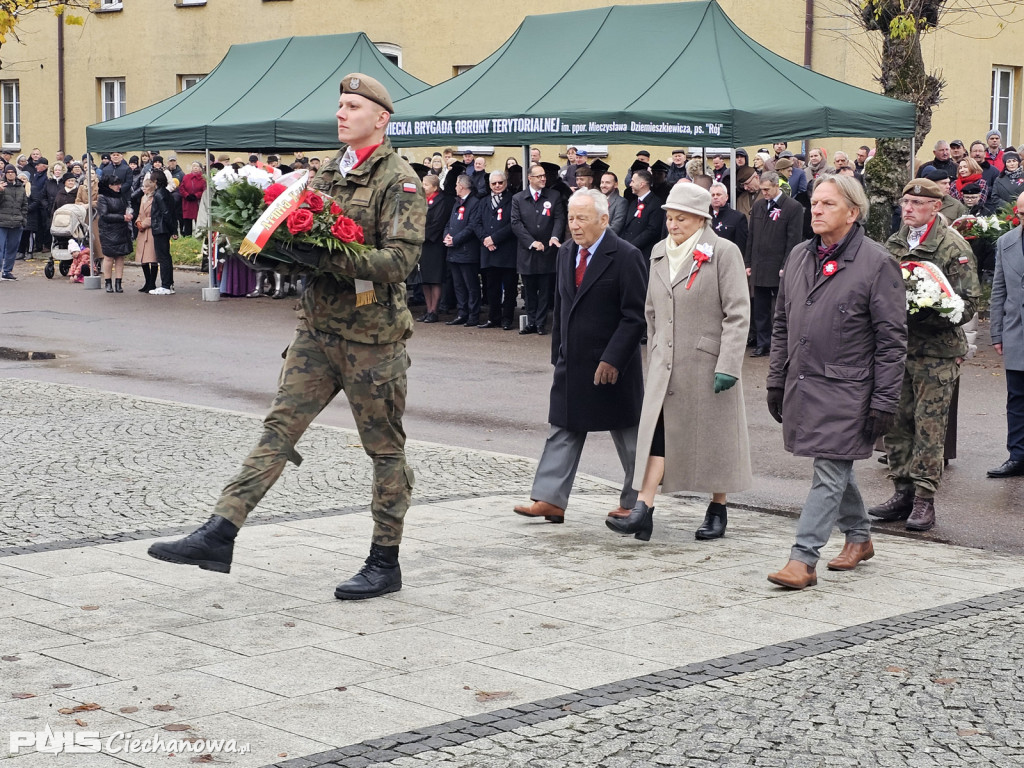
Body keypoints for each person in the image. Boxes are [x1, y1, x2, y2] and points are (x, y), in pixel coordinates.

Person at [148, 73, 426, 601]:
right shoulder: (326, 171)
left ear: (381, 119)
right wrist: (270, 247)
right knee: (278, 429)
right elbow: (295, 227)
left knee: (385, 450)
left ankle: (383, 561)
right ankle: (220, 532)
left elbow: (401, 261)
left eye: (351, 107)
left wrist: (326, 256)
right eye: (339, 106)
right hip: (317, 330)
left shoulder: (400, 181)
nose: (341, 114)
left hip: (371, 339)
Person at [764, 174, 907, 589]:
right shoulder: (798, 255)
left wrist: (884, 401)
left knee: (828, 469)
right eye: (815, 203)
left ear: (853, 212)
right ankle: (860, 537)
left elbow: (892, 342)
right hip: (805, 383)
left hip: (850, 390)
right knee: (834, 463)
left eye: (828, 204)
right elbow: (781, 322)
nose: (817, 210)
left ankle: (802, 559)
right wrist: (776, 378)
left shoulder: (877, 262)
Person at [610, 183, 751, 541]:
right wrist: (656, 350)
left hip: (707, 363)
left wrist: (729, 363)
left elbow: (737, 313)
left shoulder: (723, 251)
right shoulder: (658, 251)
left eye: (681, 219)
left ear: (701, 219)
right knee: (658, 434)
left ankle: (718, 508)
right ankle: (644, 509)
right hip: (665, 362)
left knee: (714, 439)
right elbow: (652, 310)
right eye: (670, 218)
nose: (673, 224)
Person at [513, 189, 647, 525]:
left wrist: (614, 358)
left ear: (603, 220)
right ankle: (550, 499)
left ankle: (637, 502)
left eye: (581, 218)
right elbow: (561, 307)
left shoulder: (627, 256)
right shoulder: (566, 253)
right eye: (571, 217)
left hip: (612, 366)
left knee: (629, 435)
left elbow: (635, 316)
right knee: (563, 427)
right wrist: (558, 353)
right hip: (573, 363)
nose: (574, 225)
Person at [870, 178, 981, 532]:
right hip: (899, 348)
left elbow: (967, 304)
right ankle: (901, 491)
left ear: (936, 207)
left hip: (937, 352)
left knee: (929, 427)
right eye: (905, 202)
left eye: (917, 203)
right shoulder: (895, 242)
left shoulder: (952, 247)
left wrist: (930, 311)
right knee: (897, 422)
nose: (908, 209)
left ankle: (924, 499)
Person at [745, 171, 803, 356]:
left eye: (767, 189)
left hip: (779, 264)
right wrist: (748, 262)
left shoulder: (792, 207)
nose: (764, 193)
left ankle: (783, 344)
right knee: (760, 307)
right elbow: (751, 236)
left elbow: (793, 239)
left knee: (781, 307)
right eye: (762, 189)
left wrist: (786, 264)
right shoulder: (759, 205)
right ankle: (763, 343)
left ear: (777, 185)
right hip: (759, 264)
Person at [988, 190, 1024, 478]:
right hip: (1016, 332)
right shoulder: (1006, 242)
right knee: (1016, 398)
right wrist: (997, 333)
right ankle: (1017, 455)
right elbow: (998, 290)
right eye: (1021, 214)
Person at [511, 164, 564, 335]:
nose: (543, 178)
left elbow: (559, 219)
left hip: (548, 250)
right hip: (528, 251)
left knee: (545, 289)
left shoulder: (554, 196)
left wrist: (554, 237)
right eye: (539, 176)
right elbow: (516, 223)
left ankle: (541, 323)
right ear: (530, 178)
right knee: (529, 289)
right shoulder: (519, 198)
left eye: (544, 176)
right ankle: (531, 321)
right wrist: (532, 242)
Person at [474, 170, 517, 329]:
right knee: (492, 287)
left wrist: (494, 238)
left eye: (500, 182)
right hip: (488, 251)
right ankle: (494, 318)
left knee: (510, 288)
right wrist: (486, 239)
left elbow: (513, 224)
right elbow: (476, 223)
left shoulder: (513, 200)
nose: (497, 186)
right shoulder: (483, 201)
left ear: (505, 183)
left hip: (506, 251)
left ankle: (507, 319)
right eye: (494, 183)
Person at [442, 173, 481, 326]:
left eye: (457, 184)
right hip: (453, 252)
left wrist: (455, 240)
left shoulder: (475, 203)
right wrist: (446, 237)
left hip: (467, 251)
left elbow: (472, 226)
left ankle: (473, 315)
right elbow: (449, 224)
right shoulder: (456, 202)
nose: (455, 187)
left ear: (462, 186)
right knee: (458, 285)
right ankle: (462, 312)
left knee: (471, 285)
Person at [416, 174, 452, 323]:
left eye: (426, 184)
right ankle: (428, 308)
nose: (422, 187)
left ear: (435, 187)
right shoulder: (421, 200)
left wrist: (423, 234)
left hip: (434, 243)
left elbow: (437, 223)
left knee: (435, 278)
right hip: (423, 243)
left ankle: (434, 310)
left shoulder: (440, 201)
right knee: (425, 279)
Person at [96, 175, 133, 293]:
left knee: (120, 256)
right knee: (108, 257)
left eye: (119, 184)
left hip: (121, 228)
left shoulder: (120, 195)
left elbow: (125, 207)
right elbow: (104, 215)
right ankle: (108, 282)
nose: (119, 186)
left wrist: (128, 213)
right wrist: (122, 217)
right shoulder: (102, 197)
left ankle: (118, 282)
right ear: (109, 185)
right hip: (108, 230)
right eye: (116, 184)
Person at [620, 169, 665, 263]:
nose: (630, 184)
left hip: (643, 255)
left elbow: (652, 230)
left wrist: (632, 245)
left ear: (642, 184)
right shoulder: (633, 203)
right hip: (628, 251)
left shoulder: (656, 203)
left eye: (633, 181)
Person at [148, 171, 176, 295]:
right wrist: (173, 229)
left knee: (163, 257)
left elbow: (165, 213)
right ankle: (169, 283)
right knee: (166, 257)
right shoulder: (166, 193)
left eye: (152, 181)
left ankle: (165, 285)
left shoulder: (159, 195)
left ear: (156, 182)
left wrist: (172, 229)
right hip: (164, 228)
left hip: (160, 228)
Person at [0, 164, 28, 281]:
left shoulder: (21, 187)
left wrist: (23, 219)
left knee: (12, 248)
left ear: (16, 174)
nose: (10, 174)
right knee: (0, 248)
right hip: (2, 222)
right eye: (8, 172)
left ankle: (7, 271)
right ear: (5, 174)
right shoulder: (2, 186)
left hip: (17, 222)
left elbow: (25, 205)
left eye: (12, 172)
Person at [133, 176, 159, 293]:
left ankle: (152, 283)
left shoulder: (155, 199)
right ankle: (147, 281)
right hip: (142, 231)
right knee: (143, 258)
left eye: (146, 187)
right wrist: (138, 222)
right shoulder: (143, 198)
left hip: (151, 231)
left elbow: (153, 216)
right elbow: (140, 213)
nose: (144, 189)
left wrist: (143, 224)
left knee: (152, 258)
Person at [709, 182, 747, 252]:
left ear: (726, 197)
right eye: (712, 195)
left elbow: (741, 246)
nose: (715, 197)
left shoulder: (738, 218)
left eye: (718, 194)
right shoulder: (705, 217)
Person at [179, 162, 207, 237]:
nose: (195, 168)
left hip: (197, 203)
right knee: (187, 222)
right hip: (187, 202)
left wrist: (196, 195)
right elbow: (181, 188)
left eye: (197, 166)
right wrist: (187, 195)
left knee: (198, 220)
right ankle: (187, 236)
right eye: (193, 166)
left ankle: (199, 236)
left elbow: (204, 190)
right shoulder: (186, 177)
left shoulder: (203, 179)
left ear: (200, 168)